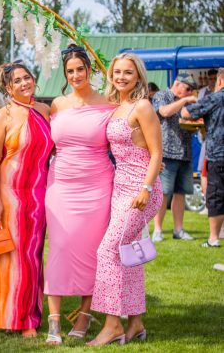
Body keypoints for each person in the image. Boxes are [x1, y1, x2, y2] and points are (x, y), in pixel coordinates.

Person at [89, 53, 163, 346]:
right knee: (129, 257)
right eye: (117, 72)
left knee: (108, 251)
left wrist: (146, 188)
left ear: (138, 76)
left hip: (140, 191)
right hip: (119, 189)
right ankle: (136, 323)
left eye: (128, 73)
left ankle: (111, 325)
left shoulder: (143, 107)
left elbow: (157, 152)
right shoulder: (116, 107)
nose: (121, 77)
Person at [44, 45, 115, 345]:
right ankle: (54, 322)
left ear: (90, 70)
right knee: (59, 247)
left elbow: (126, 135)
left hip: (97, 185)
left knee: (92, 252)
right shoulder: (58, 104)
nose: (75, 75)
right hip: (60, 184)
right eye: (70, 71)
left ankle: (85, 316)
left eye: (80, 69)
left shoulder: (110, 103)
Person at [0, 61, 53, 337]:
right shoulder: (1, 116)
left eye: (28, 77)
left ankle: (29, 315)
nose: (25, 83)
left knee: (33, 256)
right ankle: (13, 317)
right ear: (8, 87)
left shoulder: (45, 111)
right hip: (10, 193)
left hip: (39, 193)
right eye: (18, 81)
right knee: (11, 256)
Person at [151, 72, 198, 242]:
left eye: (192, 90)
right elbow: (164, 112)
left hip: (185, 153)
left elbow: (187, 119)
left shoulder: (184, 101)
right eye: (188, 89)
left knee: (181, 193)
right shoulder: (162, 95)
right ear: (178, 84)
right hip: (167, 153)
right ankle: (157, 230)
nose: (189, 93)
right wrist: (184, 101)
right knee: (163, 193)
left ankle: (179, 230)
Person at [181, 67, 224, 248]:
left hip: (218, 154)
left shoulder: (216, 97)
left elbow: (186, 113)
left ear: (220, 81)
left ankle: (214, 238)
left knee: (216, 196)